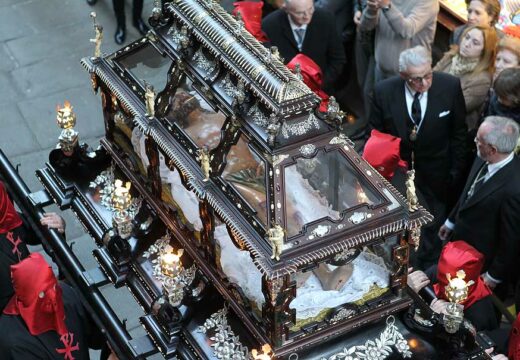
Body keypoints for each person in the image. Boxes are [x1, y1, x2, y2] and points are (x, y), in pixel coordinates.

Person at [369, 46, 467, 269]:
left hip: (438, 174)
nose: (423, 83)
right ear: (403, 76)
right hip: (400, 174)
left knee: (433, 225)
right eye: (416, 79)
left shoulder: (449, 86)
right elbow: (376, 135)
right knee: (403, 224)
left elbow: (459, 134)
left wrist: (455, 172)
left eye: (428, 75)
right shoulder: (384, 92)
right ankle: (405, 266)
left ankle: (425, 269)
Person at [438, 116, 520, 292]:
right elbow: (469, 191)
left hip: (479, 264)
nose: (475, 140)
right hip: (458, 247)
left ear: (492, 149)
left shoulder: (515, 188)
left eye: (479, 140)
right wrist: (451, 221)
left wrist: (494, 275)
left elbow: (511, 239)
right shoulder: (481, 156)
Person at [0, 253, 108, 359]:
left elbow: (97, 339)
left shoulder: (66, 295)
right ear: (28, 296)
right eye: (43, 294)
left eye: (52, 286)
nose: (53, 297)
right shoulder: (13, 341)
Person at [0, 181, 65, 312]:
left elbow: (34, 232)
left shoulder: (5, 215)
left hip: (41, 296)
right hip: (16, 320)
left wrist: (57, 225)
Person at [408, 241, 498, 331]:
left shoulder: (481, 313)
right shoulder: (435, 274)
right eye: (443, 281)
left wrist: (436, 317)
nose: (447, 289)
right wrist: (407, 291)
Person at [261, 0, 346, 93]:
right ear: (286, 9)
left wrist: (319, 85)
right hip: (283, 92)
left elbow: (338, 60)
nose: (307, 16)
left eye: (310, 9)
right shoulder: (268, 25)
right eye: (300, 13)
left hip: (321, 91)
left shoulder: (325, 18)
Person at [434, 25, 497, 131]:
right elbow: (427, 79)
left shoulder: (482, 80)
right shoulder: (451, 56)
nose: (467, 44)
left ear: (484, 51)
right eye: (467, 37)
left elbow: (454, 107)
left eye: (475, 43)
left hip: (450, 128)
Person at [358, 0, 439, 82]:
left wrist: (387, 7)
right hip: (380, 68)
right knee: (366, 92)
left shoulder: (429, 2)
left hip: (408, 78)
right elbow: (366, 27)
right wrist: (371, 9)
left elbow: (407, 30)